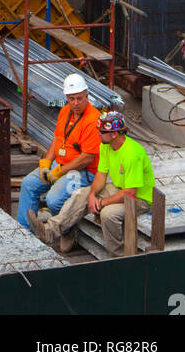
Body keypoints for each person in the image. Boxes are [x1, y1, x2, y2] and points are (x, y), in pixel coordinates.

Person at [33, 109, 155, 256]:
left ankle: (117, 256)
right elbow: (101, 175)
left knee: (108, 214)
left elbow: (131, 192)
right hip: (120, 189)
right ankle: (49, 231)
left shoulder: (132, 154)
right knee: (82, 193)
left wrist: (103, 202)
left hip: (139, 199)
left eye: (102, 131)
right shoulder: (105, 145)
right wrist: (92, 195)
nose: (98, 134)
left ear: (114, 133)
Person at [17, 73, 100, 230]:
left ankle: (65, 231)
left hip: (83, 171)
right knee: (29, 184)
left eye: (79, 98)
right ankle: (25, 231)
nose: (75, 103)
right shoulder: (65, 112)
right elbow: (57, 139)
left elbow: (86, 158)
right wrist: (46, 163)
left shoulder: (93, 120)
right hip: (60, 164)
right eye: (71, 98)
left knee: (54, 200)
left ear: (87, 96)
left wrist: (59, 172)